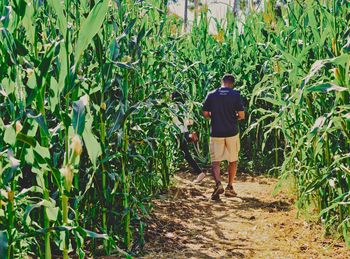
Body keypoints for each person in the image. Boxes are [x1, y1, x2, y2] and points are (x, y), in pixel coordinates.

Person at [202, 74, 245, 200]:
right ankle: (230, 187)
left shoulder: (211, 94)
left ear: (222, 82)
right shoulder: (235, 94)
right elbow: (241, 115)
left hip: (216, 132)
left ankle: (218, 184)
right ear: (232, 83)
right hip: (232, 132)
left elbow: (205, 112)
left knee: (216, 162)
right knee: (233, 160)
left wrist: (214, 117)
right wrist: (233, 118)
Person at [171, 91, 206, 184]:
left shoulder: (171, 108)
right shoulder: (185, 108)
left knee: (186, 154)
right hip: (185, 132)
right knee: (184, 154)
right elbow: (191, 122)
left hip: (177, 133)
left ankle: (200, 172)